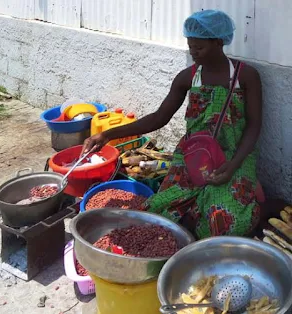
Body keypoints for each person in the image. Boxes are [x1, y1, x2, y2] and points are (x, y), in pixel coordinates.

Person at [82, 10, 262, 239]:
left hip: (235, 156)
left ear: (219, 42)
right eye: (190, 46)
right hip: (194, 156)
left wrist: (233, 165)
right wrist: (107, 135)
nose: (193, 52)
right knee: (157, 211)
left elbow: (254, 126)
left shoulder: (246, 76)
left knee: (227, 222)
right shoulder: (187, 77)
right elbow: (159, 118)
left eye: (199, 47)